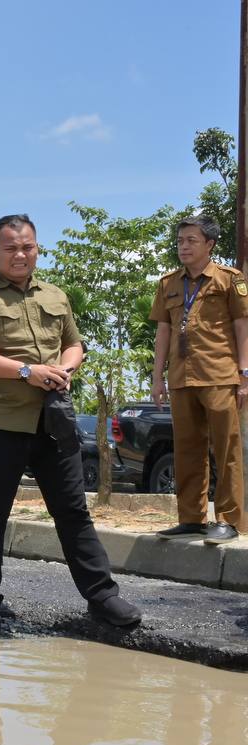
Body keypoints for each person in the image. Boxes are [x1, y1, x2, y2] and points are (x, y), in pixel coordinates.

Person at [0, 213, 141, 636]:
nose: (20, 254)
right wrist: (26, 372)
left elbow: (74, 343)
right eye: (11, 248)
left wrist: (66, 367)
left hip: (53, 419)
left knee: (73, 510)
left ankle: (102, 596)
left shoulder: (55, 295)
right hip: (0, 418)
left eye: (27, 247)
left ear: (37, 248)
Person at [149, 216, 248, 544]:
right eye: (180, 241)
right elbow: (162, 331)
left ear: (210, 244)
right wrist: (157, 377)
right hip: (180, 378)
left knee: (226, 449)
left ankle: (228, 521)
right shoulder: (168, 284)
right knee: (187, 450)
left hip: (219, 374)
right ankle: (191, 519)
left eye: (191, 240)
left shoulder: (229, 280)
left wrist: (244, 374)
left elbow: (241, 326)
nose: (184, 246)